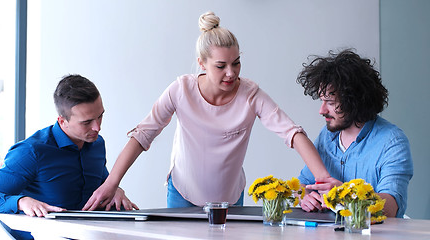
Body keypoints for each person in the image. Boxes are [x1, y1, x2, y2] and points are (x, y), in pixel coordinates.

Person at [83, 11, 330, 210]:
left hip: (230, 198)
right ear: (202, 63)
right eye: (221, 66)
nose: (231, 73)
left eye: (236, 63)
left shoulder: (250, 94)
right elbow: (142, 136)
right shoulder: (181, 90)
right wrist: (111, 183)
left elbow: (292, 134)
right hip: (183, 193)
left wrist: (323, 179)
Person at [0, 75, 138, 238]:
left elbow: (102, 184)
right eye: (87, 122)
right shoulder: (31, 151)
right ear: (62, 121)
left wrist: (115, 190)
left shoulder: (97, 144)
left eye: (100, 116)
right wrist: (21, 202)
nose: (97, 127)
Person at [296, 49, 414, 218]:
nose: (321, 111)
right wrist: (306, 197)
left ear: (354, 101)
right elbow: (303, 183)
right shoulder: (326, 136)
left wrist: (345, 195)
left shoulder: (392, 141)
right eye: (322, 101)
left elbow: (391, 207)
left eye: (330, 102)